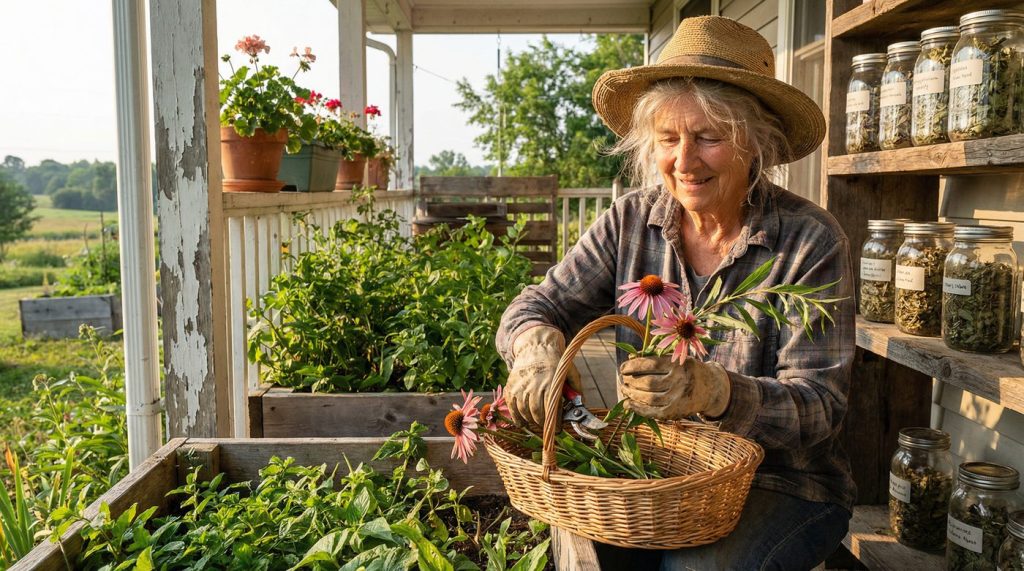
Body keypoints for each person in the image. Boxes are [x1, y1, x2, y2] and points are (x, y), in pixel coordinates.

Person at [495, 15, 856, 571]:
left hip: (784, 484)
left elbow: (820, 408)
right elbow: (537, 304)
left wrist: (715, 392)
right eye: (668, 139)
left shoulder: (809, 240)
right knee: (593, 548)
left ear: (756, 144)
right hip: (657, 469)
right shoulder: (630, 220)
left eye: (709, 138)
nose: (684, 162)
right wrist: (537, 349)